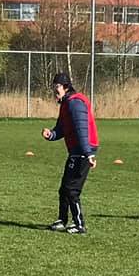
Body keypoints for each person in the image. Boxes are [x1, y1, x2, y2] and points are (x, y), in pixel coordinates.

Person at [41, 70, 98, 234]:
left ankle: (80, 225)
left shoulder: (75, 103)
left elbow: (82, 129)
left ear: (66, 87)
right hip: (77, 150)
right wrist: (51, 135)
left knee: (72, 189)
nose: (54, 91)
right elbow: (61, 129)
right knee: (64, 188)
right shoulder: (66, 104)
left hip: (84, 149)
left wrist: (89, 154)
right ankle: (62, 220)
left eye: (56, 87)